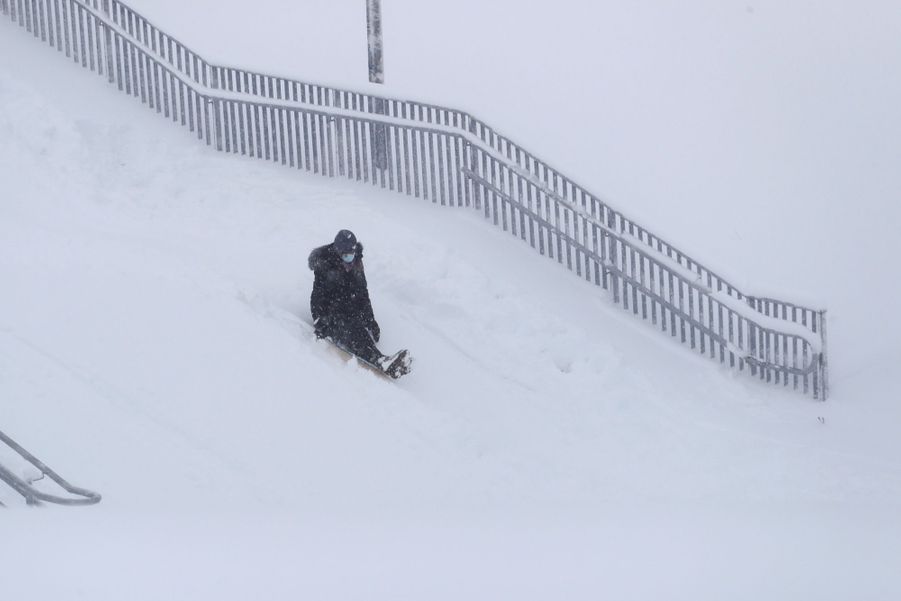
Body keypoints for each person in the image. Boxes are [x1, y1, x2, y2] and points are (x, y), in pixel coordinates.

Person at [308, 229, 382, 364]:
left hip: (348, 305)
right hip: (330, 311)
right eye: (346, 255)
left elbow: (362, 294)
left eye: (352, 254)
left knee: (357, 325)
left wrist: (370, 320)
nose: (350, 257)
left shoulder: (357, 262)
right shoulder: (325, 264)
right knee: (348, 327)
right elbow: (317, 296)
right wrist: (320, 321)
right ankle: (375, 359)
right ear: (338, 252)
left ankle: (378, 357)